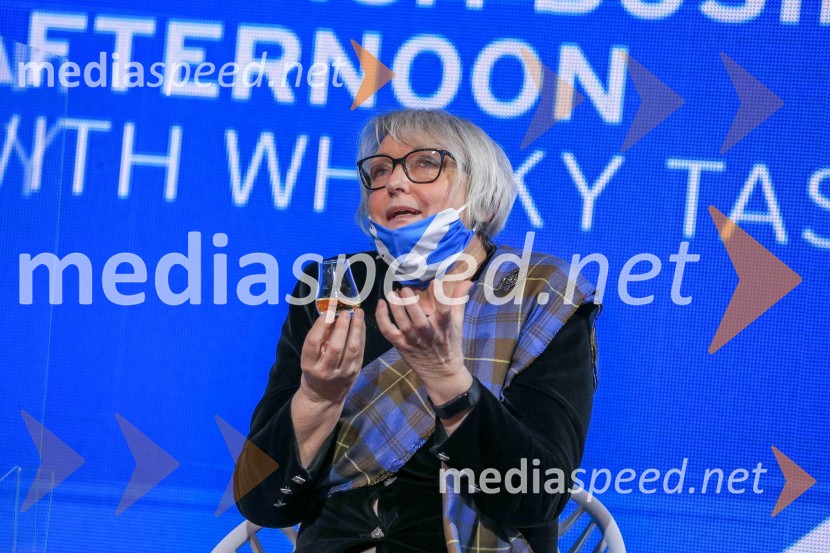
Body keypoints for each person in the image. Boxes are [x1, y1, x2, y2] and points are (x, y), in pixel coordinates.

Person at [234, 109, 601, 553]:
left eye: (426, 163)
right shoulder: (333, 290)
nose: (394, 182)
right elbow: (259, 500)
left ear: (482, 197)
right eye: (380, 169)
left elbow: (536, 497)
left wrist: (448, 380)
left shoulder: (540, 295)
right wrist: (317, 398)